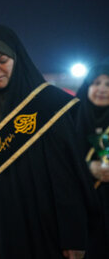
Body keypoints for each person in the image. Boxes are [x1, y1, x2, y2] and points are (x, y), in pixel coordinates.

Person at [0, 25, 93, 259]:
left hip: (38, 222)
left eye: (2, 60)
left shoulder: (46, 106)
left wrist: (72, 235)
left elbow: (64, 179)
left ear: (16, 59)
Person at [75, 59, 109, 258]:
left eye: (108, 83)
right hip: (84, 214)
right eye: (96, 83)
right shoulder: (71, 121)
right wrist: (88, 167)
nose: (102, 89)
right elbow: (60, 163)